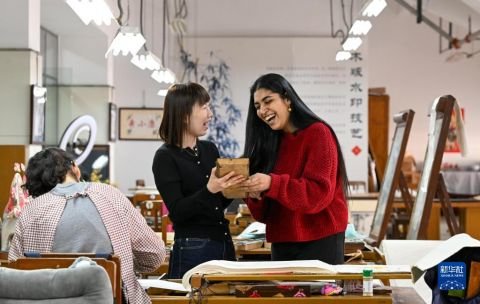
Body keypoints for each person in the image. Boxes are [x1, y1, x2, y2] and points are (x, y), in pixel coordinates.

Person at [9, 147, 165, 304]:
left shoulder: (31, 211)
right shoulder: (111, 195)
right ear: (74, 168)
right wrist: (125, 260)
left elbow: (15, 270)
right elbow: (154, 255)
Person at [241, 73, 349, 264]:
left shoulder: (318, 133)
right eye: (257, 106)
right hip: (282, 242)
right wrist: (255, 194)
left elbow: (318, 195)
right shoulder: (270, 143)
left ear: (287, 99)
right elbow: (263, 215)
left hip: (321, 240)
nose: (262, 110)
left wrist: (272, 183)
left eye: (268, 101)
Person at [152, 82, 245, 279]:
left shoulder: (209, 149)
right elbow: (177, 212)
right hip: (192, 247)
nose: (210, 114)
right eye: (204, 107)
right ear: (184, 115)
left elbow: (217, 204)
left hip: (223, 241)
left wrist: (236, 188)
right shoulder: (165, 157)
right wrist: (209, 190)